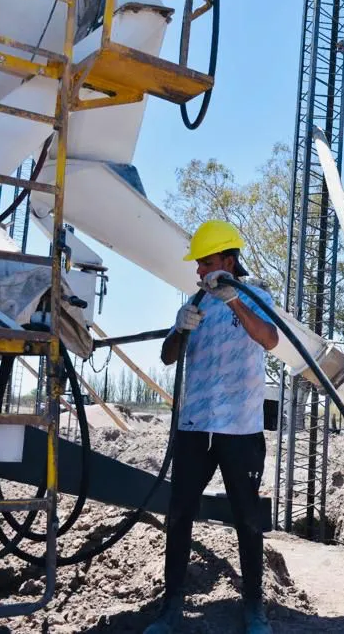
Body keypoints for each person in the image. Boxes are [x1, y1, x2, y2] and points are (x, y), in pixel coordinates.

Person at [146, 220, 279, 634]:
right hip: (193, 426)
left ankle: (254, 607)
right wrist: (181, 329)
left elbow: (270, 340)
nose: (199, 271)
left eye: (205, 263)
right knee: (180, 513)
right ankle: (171, 608)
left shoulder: (257, 296)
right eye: (200, 265)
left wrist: (234, 300)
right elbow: (169, 356)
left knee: (247, 518)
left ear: (228, 260)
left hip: (239, 429)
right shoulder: (194, 302)